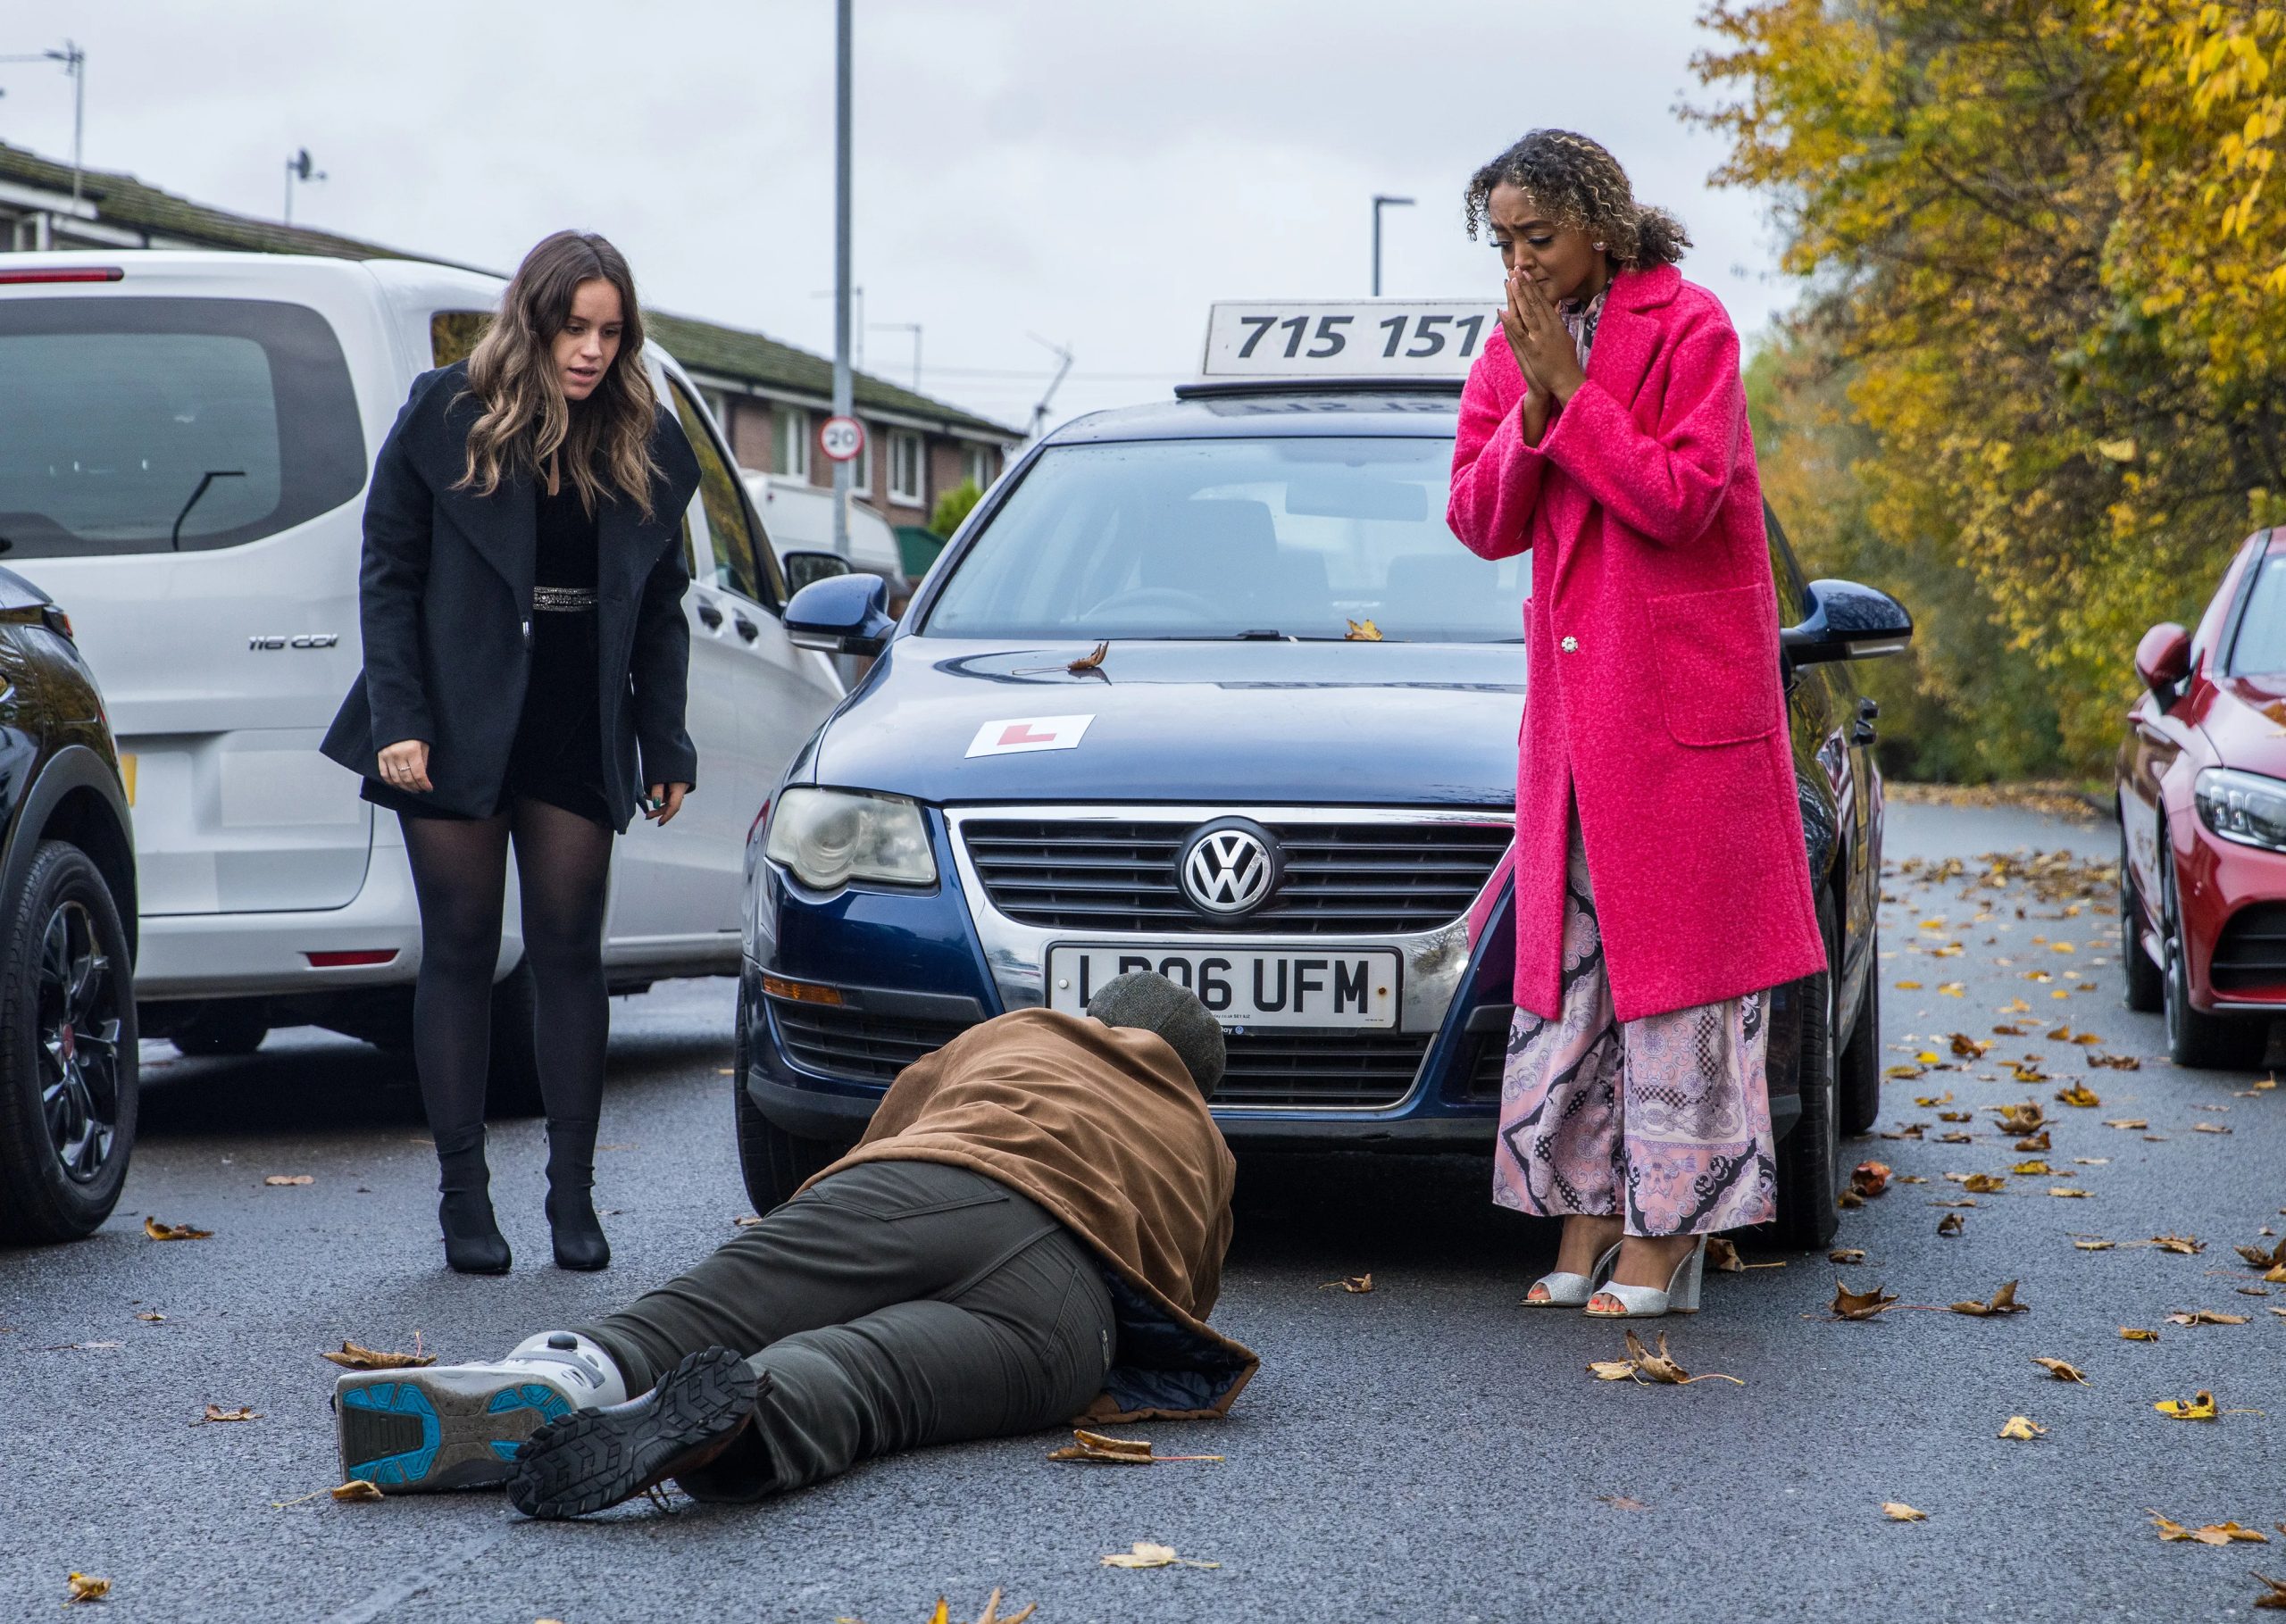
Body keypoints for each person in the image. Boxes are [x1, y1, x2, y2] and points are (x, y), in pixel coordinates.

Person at [328, 972, 1256, 1519]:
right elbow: (1184, 1301)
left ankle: (567, 1374)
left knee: (716, 1305)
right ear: (1195, 1083)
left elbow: (899, 1119)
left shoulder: (1025, 1033)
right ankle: (737, 1431)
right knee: (866, 1380)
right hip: (1066, 1309)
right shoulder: (1205, 1147)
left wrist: (845, 1229)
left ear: (1097, 1015)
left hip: (935, 1182)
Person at [1446, 130, 1826, 1317]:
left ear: (1602, 227)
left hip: (1678, 717)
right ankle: (1590, 1213)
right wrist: (1534, 400)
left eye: (1538, 237)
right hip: (1573, 721)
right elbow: (1478, 516)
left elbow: (1679, 498)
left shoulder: (1693, 324)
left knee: (1683, 992)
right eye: (1503, 240)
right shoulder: (1516, 344)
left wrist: (1572, 387)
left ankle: (1672, 1235)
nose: (1519, 260)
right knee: (1576, 980)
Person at [320, 231, 702, 1275]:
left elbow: (662, 607)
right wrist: (400, 717)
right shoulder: (446, 412)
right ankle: (462, 1198)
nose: (590, 350)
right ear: (530, 319)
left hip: (576, 712)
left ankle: (572, 1199)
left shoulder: (648, 438)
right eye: (573, 327)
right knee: (460, 948)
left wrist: (663, 738)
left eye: (610, 331)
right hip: (451, 710)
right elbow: (388, 572)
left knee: (571, 952)